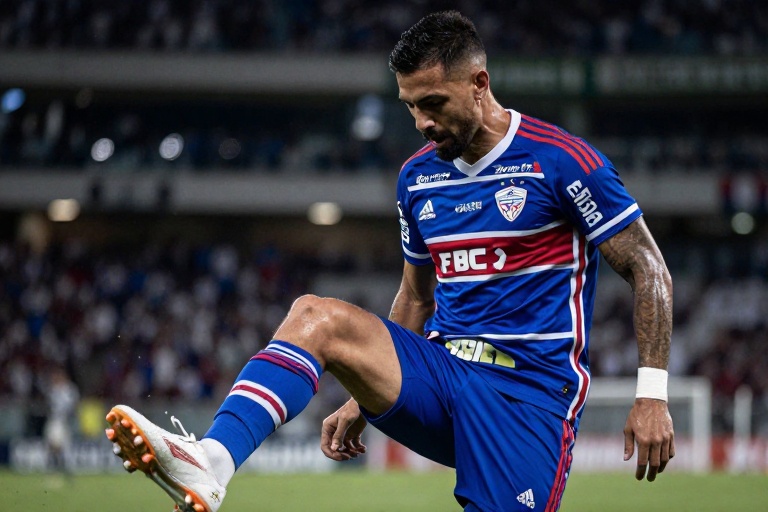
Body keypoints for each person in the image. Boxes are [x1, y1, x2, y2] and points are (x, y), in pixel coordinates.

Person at [105, 11, 674, 512]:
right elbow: (417, 298)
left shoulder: (564, 161)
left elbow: (648, 267)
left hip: (526, 397)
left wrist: (651, 392)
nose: (422, 122)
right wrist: (364, 391)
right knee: (315, 317)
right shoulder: (417, 178)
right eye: (411, 107)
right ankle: (212, 461)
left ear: (479, 84)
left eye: (434, 104)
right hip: (443, 374)